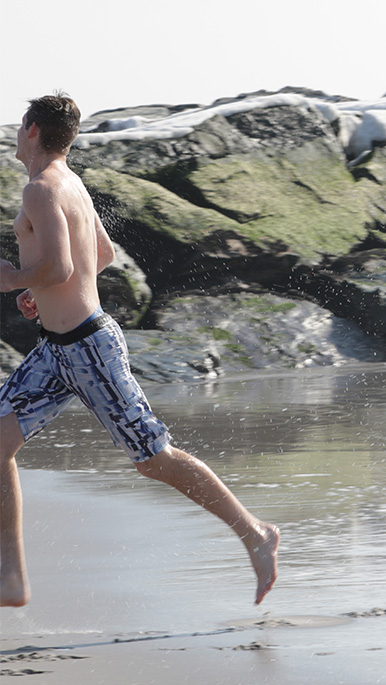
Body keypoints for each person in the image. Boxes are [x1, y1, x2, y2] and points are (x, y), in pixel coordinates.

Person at [0, 94, 279, 608]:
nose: (17, 135)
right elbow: (100, 255)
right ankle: (11, 579)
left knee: (153, 458)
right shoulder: (69, 182)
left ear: (33, 130)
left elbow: (60, 269)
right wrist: (37, 293)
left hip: (88, 349)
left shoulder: (41, 187)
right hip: (57, 350)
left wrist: (15, 278)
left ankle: (255, 533)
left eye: (21, 125)